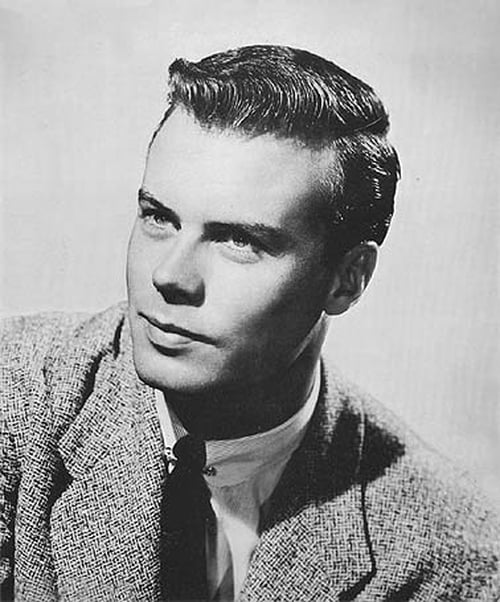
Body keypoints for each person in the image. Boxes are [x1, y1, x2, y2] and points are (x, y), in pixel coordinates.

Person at [0, 44, 498, 602]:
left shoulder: (448, 552)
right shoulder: (15, 401)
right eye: (158, 217)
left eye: (238, 240)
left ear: (347, 279)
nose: (169, 276)